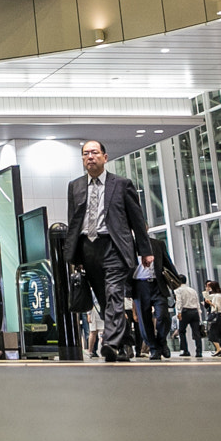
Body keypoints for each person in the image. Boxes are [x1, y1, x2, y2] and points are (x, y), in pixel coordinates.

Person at [66, 139, 152, 363]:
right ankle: (123, 345)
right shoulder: (75, 186)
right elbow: (73, 222)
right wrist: (74, 255)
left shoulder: (122, 184)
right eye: (86, 154)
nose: (90, 157)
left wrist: (145, 250)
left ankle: (110, 343)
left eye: (94, 153)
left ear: (105, 157)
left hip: (114, 245)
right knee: (104, 300)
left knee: (114, 292)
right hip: (88, 247)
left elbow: (137, 218)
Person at [172, 277, 203, 358]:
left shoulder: (178, 290)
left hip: (185, 312)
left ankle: (185, 350)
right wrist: (199, 314)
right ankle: (199, 351)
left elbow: (179, 301)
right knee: (196, 332)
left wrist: (179, 312)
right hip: (195, 311)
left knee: (182, 331)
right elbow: (197, 302)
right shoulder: (192, 290)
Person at [202, 281, 221, 356]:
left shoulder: (217, 296)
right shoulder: (218, 295)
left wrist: (210, 303)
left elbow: (217, 307)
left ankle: (219, 349)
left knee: (212, 333)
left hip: (217, 317)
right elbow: (207, 297)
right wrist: (207, 290)